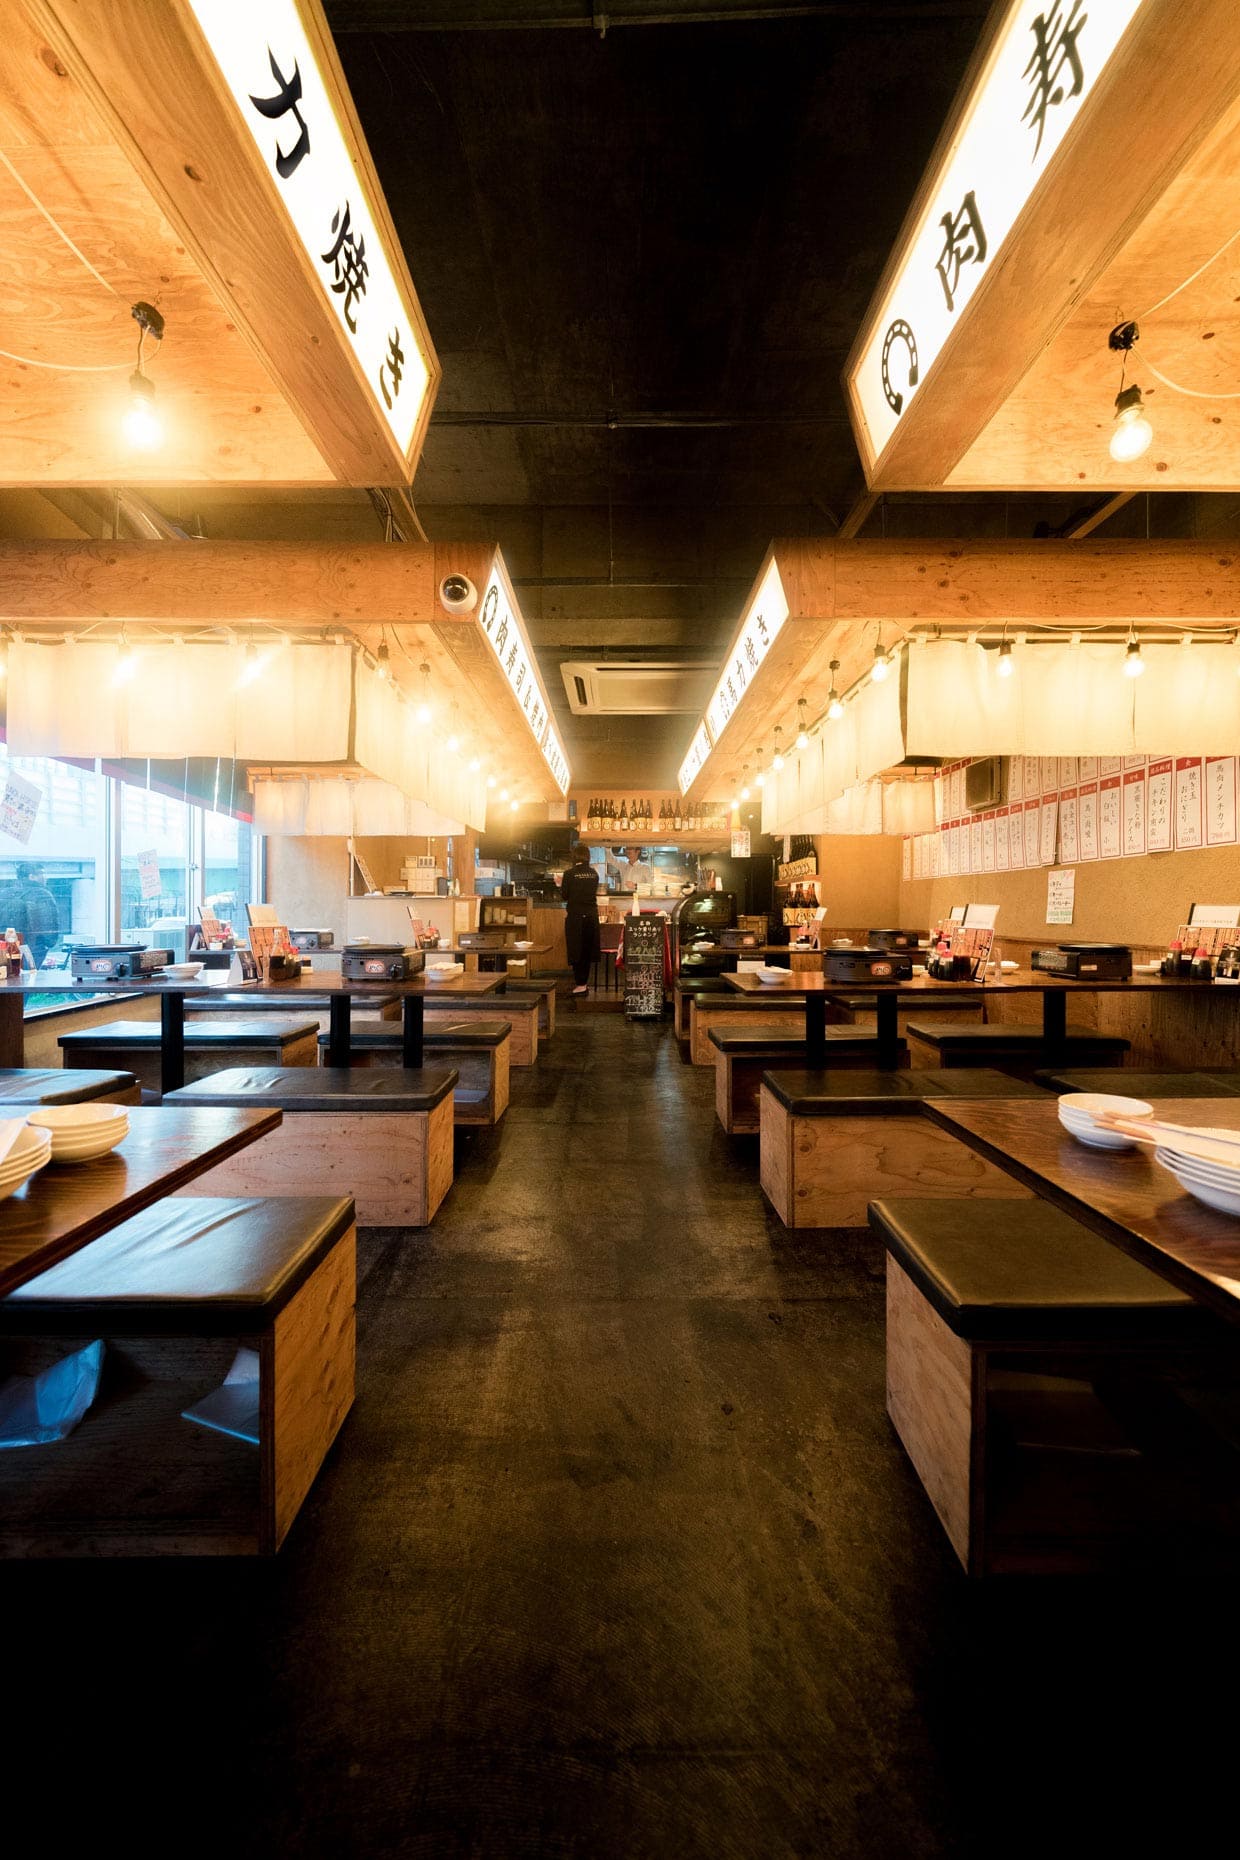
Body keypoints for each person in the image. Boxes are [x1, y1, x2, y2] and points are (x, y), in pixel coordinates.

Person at [0, 862, 60, 967]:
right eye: (41, 874)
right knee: (29, 975)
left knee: (9, 973)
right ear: (31, 876)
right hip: (32, 947)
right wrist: (48, 943)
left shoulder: (4, 893)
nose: (45, 877)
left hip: (6, 944)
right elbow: (48, 922)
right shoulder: (41, 894)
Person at [559, 842, 600, 995]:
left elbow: (565, 896)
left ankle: (580, 984)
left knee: (576, 950)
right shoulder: (594, 874)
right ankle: (584, 983)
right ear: (587, 857)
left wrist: (560, 884)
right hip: (591, 916)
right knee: (587, 951)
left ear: (574, 857)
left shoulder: (569, 874)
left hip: (576, 917)